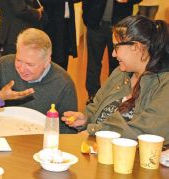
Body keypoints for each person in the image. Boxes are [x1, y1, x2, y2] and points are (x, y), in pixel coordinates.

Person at [62, 16, 169, 145]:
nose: (113, 54)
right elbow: (96, 107)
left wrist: (94, 130)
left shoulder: (164, 84)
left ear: (136, 47)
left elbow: (145, 130)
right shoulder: (120, 73)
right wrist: (86, 119)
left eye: (116, 47)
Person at [0, 28, 78, 134]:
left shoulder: (63, 84)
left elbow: (68, 132)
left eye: (30, 64)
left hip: (41, 142)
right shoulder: (6, 64)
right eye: (18, 60)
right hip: (8, 133)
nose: (21, 69)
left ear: (46, 61)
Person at [82, 0, 141, 104]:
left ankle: (114, 94)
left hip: (119, 27)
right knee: (93, 63)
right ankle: (93, 96)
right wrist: (87, 18)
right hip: (95, 25)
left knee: (118, 64)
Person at [41, 0, 80, 70]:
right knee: (54, 56)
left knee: (64, 54)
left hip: (67, 23)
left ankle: (62, 78)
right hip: (51, 24)